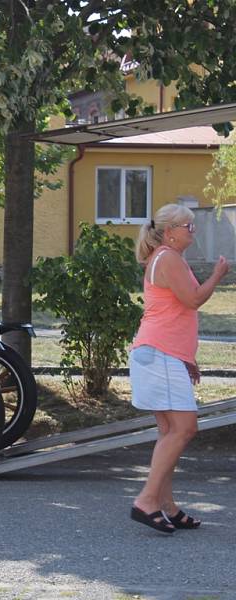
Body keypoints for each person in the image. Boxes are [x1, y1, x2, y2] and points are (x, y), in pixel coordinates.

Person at [129, 203, 229, 534]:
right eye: (188, 226)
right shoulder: (168, 258)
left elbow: (175, 314)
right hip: (158, 355)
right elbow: (193, 300)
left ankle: (166, 505)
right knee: (184, 429)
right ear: (170, 231)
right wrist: (217, 276)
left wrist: (188, 357)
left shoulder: (168, 257)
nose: (193, 231)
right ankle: (146, 500)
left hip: (161, 353)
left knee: (169, 433)